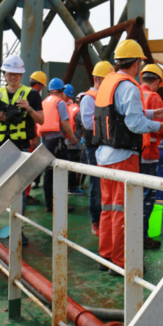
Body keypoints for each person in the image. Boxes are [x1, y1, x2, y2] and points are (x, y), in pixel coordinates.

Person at [94, 40, 163, 274]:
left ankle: (107, 257)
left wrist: (153, 112)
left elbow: (118, 113)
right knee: (124, 210)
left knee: (108, 208)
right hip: (123, 157)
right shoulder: (129, 86)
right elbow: (134, 123)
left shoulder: (109, 82)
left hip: (103, 156)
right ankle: (122, 262)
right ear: (137, 62)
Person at [0, 56, 44, 245]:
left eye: (17, 74)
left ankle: (16, 229)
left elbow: (41, 120)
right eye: (10, 73)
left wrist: (28, 110)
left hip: (20, 146)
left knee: (19, 191)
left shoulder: (32, 95)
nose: (13, 77)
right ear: (5, 74)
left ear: (22, 74)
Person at [139, 64, 163, 249]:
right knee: (147, 196)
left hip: (134, 152)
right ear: (158, 82)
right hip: (149, 152)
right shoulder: (154, 97)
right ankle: (143, 237)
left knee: (133, 194)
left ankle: (131, 233)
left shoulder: (136, 92)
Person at [81, 60, 115, 236]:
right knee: (96, 185)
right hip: (95, 146)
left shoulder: (106, 97)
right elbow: (88, 123)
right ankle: (96, 221)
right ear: (97, 79)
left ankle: (106, 219)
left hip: (107, 145)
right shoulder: (88, 98)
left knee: (108, 185)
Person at [38, 78, 80, 212]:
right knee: (62, 173)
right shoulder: (60, 103)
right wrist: (73, 138)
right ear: (62, 91)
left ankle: (50, 205)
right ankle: (61, 205)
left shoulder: (44, 102)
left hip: (45, 142)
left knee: (48, 174)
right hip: (58, 143)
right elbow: (65, 123)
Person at [63, 84, 86, 196]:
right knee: (73, 167)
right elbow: (84, 126)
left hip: (66, 142)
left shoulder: (69, 108)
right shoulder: (78, 111)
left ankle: (68, 186)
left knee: (67, 166)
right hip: (75, 142)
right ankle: (72, 188)